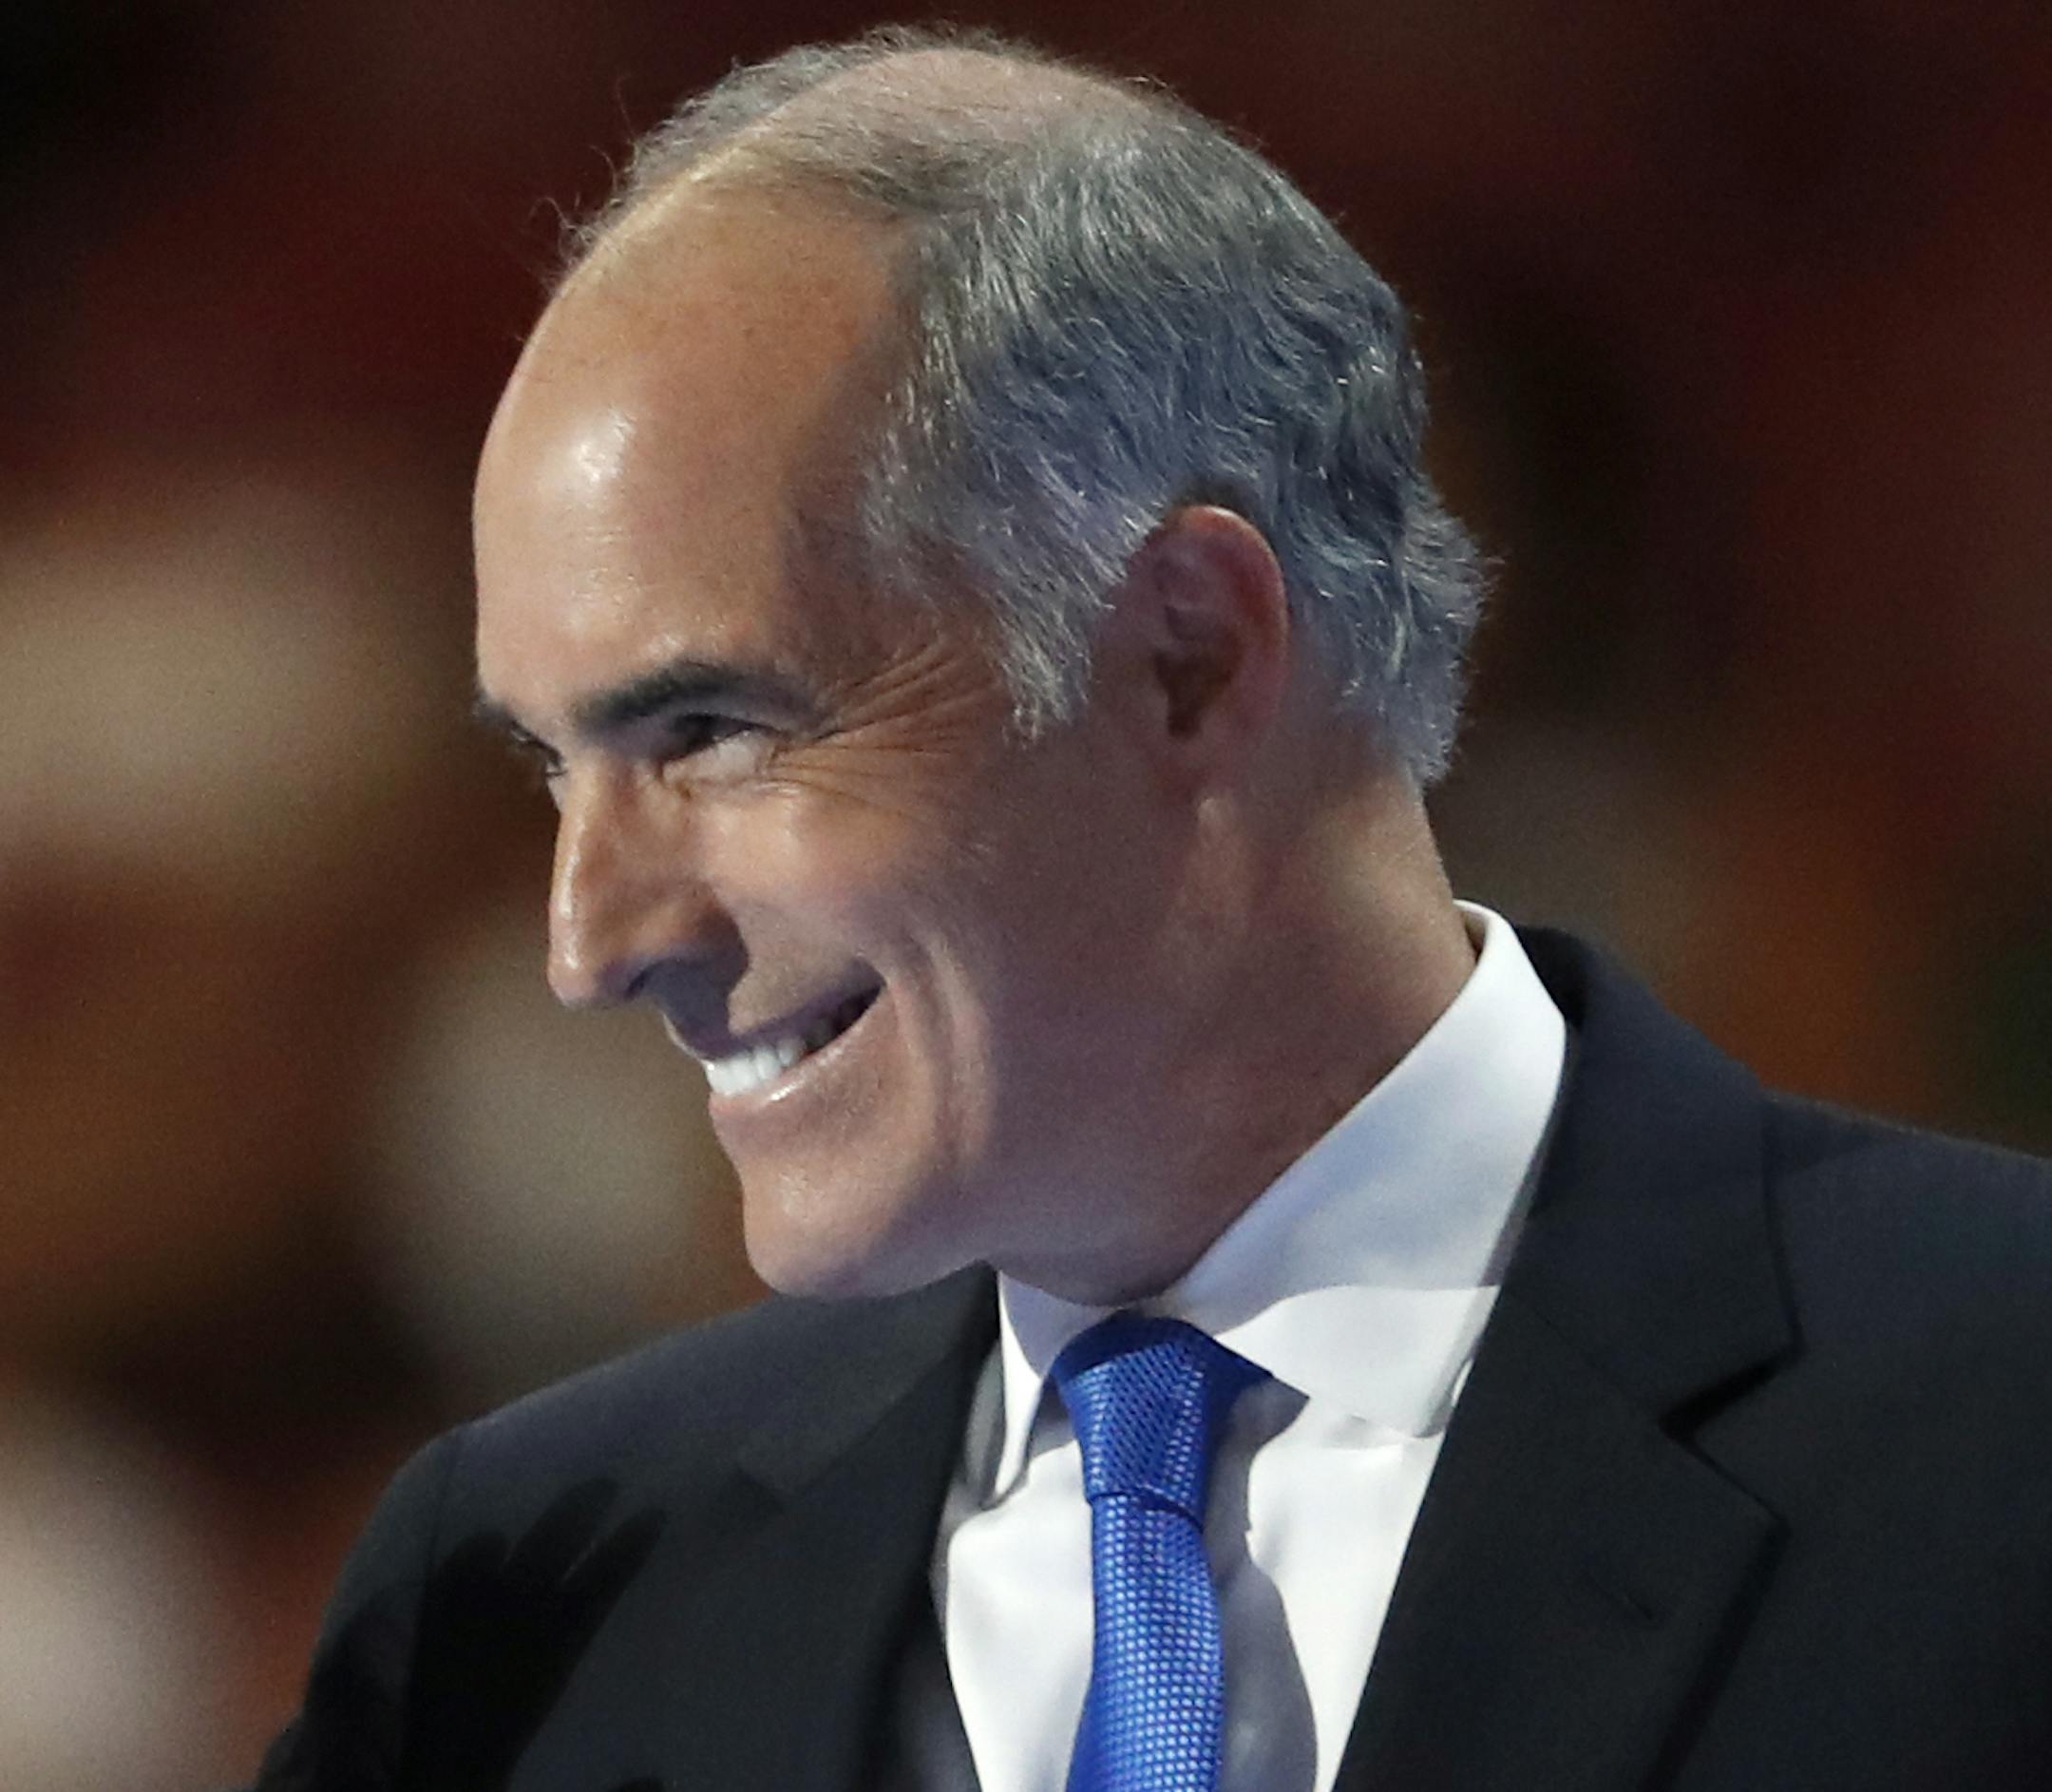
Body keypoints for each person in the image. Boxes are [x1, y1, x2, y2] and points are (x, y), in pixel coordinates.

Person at [252, 27, 2052, 1792]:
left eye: (711, 730)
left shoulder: (1998, 1423)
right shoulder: (522, 1604)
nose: (589, 942)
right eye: (553, 768)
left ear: (1187, 656)